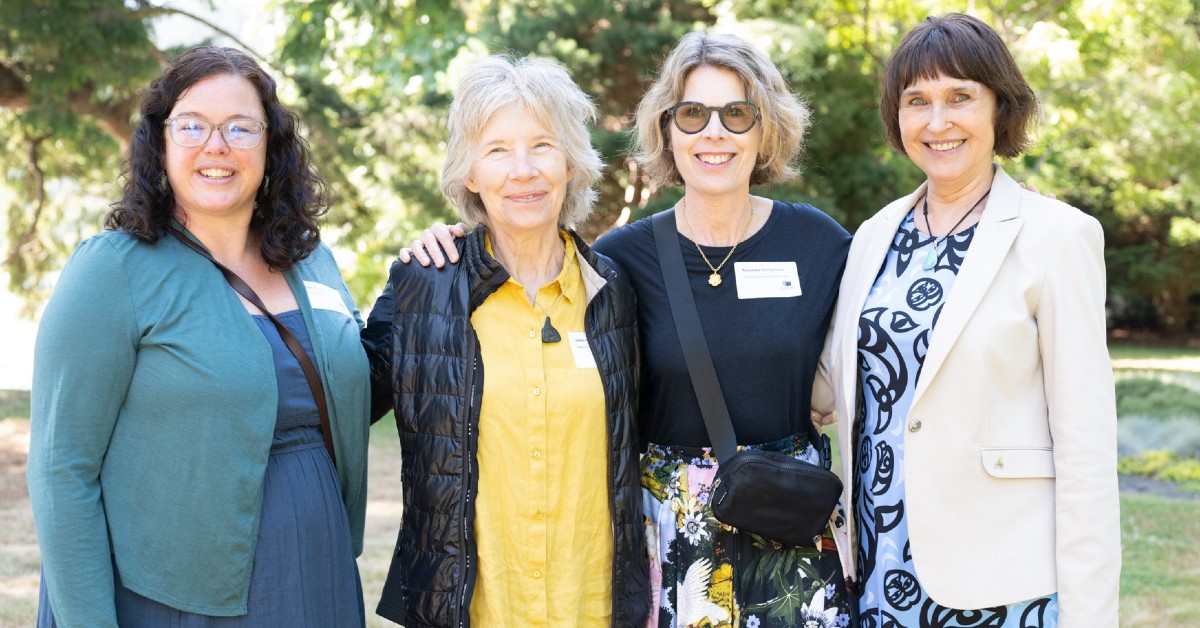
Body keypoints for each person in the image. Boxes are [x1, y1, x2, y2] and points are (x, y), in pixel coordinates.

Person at [402, 32, 854, 628]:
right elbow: (524, 265)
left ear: (764, 128)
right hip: (670, 543)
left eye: (736, 114)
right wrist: (456, 239)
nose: (713, 132)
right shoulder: (620, 261)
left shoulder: (819, 243)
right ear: (667, 129)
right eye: (692, 114)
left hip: (790, 539)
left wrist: (993, 216)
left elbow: (897, 319)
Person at [26, 46, 372, 627]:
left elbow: (352, 382)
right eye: (192, 126)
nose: (217, 146)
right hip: (168, 601)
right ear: (160, 143)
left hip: (315, 574)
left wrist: (434, 270)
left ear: (271, 145)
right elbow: (62, 467)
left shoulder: (313, 263)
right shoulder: (113, 271)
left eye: (241, 127)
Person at [812, 13, 1120, 626]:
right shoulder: (874, 237)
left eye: (960, 98)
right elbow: (829, 386)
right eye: (916, 101)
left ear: (999, 109)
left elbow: (1085, 448)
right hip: (877, 572)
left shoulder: (1056, 236)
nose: (937, 121)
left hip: (1001, 586)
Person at [361, 55, 649, 627]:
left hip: (593, 609)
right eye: (496, 150)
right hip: (469, 612)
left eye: (543, 145)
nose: (523, 170)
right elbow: (335, 401)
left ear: (571, 163)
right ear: (469, 172)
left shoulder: (616, 293)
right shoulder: (422, 286)